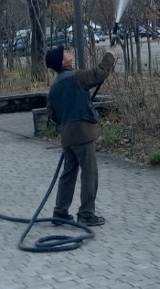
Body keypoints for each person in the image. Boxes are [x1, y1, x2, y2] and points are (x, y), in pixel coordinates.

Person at [45, 43, 116, 228]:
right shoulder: (77, 77)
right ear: (62, 61)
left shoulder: (54, 86)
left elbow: (52, 114)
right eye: (65, 52)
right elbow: (99, 74)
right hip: (83, 134)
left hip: (67, 136)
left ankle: (60, 212)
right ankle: (86, 213)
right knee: (89, 173)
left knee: (68, 174)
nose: (68, 52)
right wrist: (110, 54)